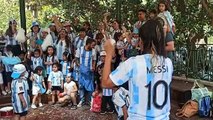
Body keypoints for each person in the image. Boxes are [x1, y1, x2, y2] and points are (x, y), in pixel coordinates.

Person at [102, 19, 173, 119]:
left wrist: (109, 53)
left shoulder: (133, 63)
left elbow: (105, 83)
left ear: (141, 41)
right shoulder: (168, 63)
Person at [75, 38, 96, 107]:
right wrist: (79, 66)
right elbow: (76, 59)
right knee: (81, 86)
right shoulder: (80, 49)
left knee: (90, 87)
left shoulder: (93, 51)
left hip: (89, 72)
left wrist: (93, 67)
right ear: (88, 44)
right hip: (81, 72)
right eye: (92, 45)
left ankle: (89, 101)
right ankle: (82, 100)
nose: (93, 47)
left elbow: (94, 60)